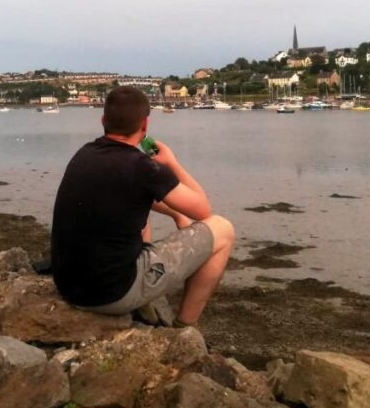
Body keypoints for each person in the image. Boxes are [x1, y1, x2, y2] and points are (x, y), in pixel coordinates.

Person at [51, 86, 235, 327]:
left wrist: (176, 214)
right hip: (111, 294)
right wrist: (171, 162)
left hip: (69, 286)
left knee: (141, 222)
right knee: (223, 229)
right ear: (145, 126)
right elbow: (203, 210)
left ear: (103, 120)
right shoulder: (143, 167)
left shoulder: (83, 155)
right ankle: (184, 327)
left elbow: (125, 197)